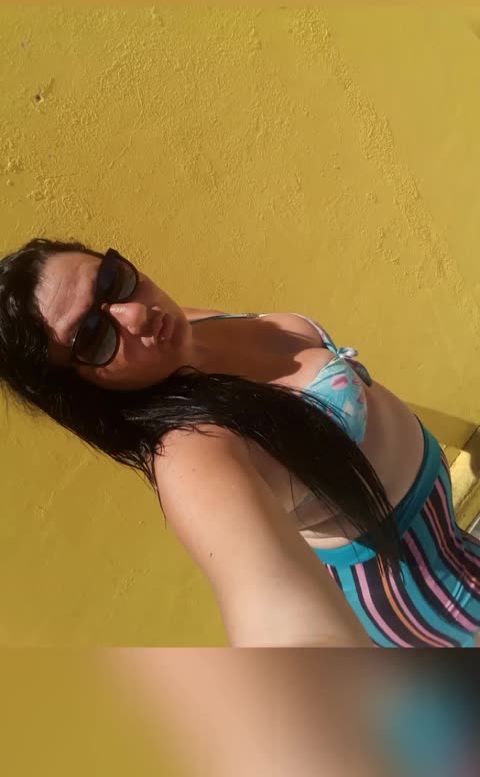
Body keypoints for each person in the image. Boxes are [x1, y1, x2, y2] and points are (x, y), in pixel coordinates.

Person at [0, 238, 479, 647]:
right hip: (428, 591)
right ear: (81, 390)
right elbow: (274, 613)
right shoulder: (190, 452)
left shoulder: (177, 329)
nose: (136, 314)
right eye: (92, 337)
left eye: (111, 279)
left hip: (451, 540)